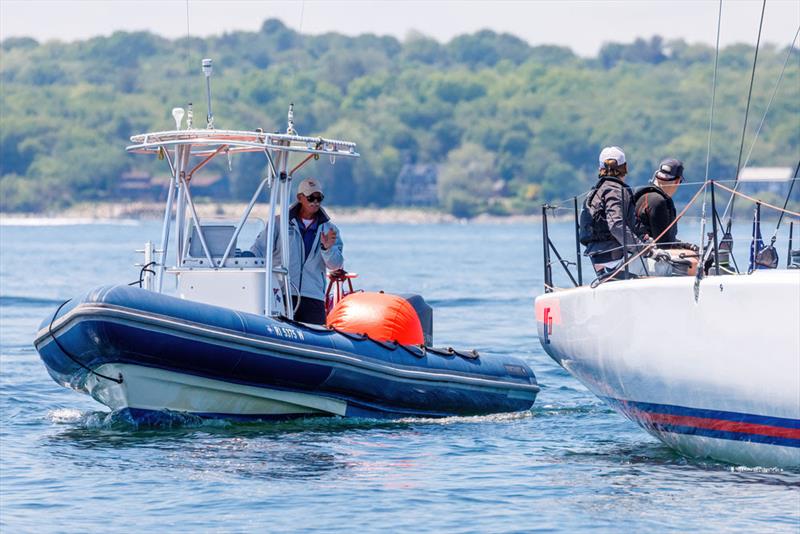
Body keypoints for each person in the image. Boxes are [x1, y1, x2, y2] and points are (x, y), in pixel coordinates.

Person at [251, 178, 343, 324]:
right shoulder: (278, 223)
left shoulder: (330, 230)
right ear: (300, 198)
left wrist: (327, 249)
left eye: (319, 198)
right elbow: (258, 250)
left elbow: (336, 265)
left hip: (313, 297)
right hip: (281, 294)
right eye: (311, 197)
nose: (315, 201)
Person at [579, 146, 667, 280]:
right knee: (672, 266)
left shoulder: (597, 192)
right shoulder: (615, 191)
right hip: (616, 261)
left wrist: (645, 240)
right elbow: (616, 225)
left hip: (600, 260)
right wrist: (646, 250)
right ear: (624, 168)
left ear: (600, 169)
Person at [634, 158, 696, 250]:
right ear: (677, 181)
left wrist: (687, 246)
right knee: (696, 260)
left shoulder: (647, 196)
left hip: (641, 254)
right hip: (650, 257)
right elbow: (663, 245)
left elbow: (665, 240)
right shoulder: (658, 201)